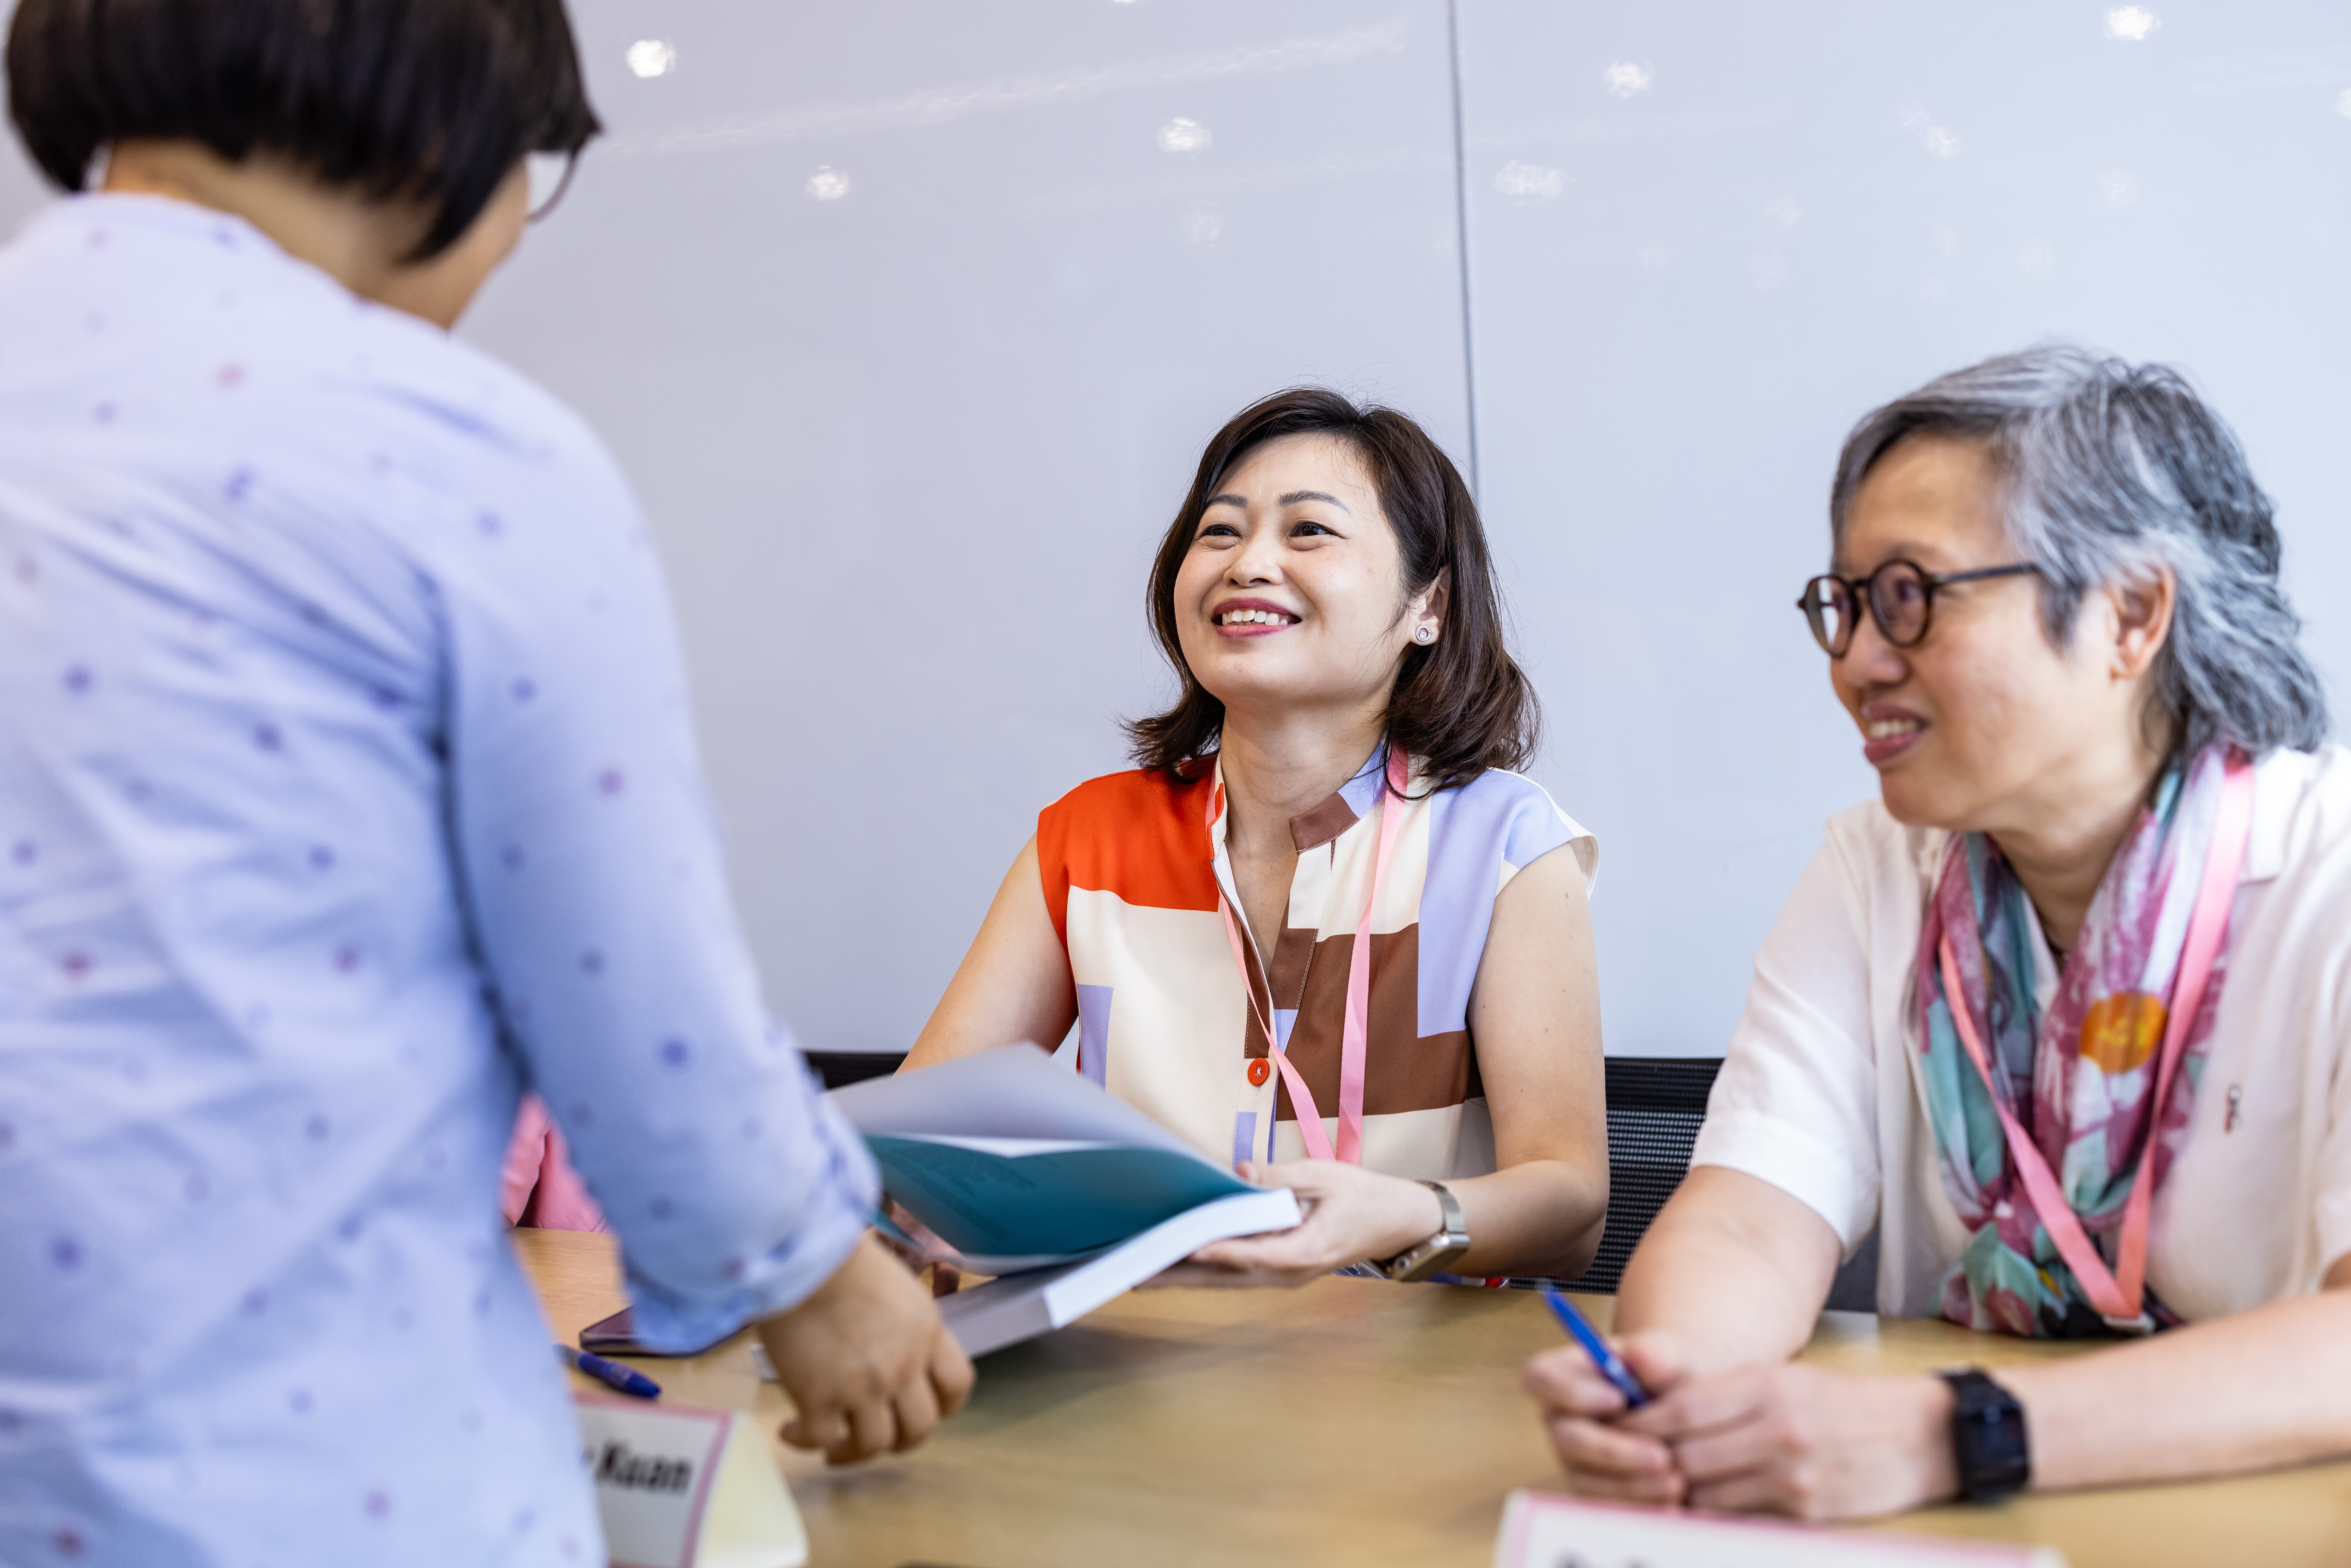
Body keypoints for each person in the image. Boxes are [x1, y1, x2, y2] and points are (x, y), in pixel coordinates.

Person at [0, 2, 969, 1563]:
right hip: (317, 1482)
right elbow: (637, 998)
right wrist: (813, 1276)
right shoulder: (450, 453)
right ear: (446, 125)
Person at [1525, 346, 2351, 1518]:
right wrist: (1672, 1389)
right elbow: (1755, 1216)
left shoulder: (2327, 869)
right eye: (1846, 605)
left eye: (1908, 597)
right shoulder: (1874, 865)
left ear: (2128, 613)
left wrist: (1958, 1431)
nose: (1857, 663)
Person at [904, 388, 1609, 1285]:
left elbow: (1570, 1206)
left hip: (1408, 1390)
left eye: (1308, 531)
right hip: (1134, 1369)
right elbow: (918, 1139)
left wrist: (1402, 1214)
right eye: (1219, 532)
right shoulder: (1090, 836)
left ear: (1427, 606)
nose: (1248, 564)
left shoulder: (1506, 849)